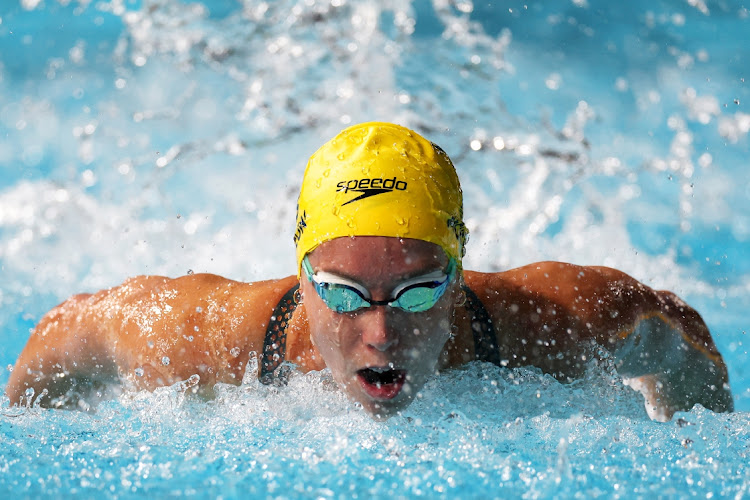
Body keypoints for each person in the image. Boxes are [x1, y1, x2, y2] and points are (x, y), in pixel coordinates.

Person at [5, 122, 733, 421]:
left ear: (457, 271)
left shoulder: (552, 322)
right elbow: (68, 332)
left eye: (418, 290)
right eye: (345, 295)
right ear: (301, 275)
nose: (381, 333)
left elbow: (680, 336)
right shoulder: (209, 337)